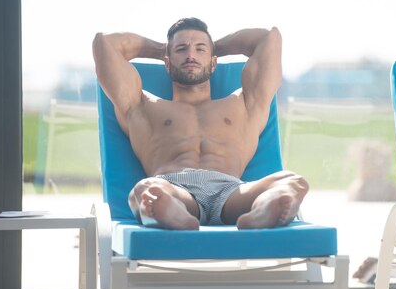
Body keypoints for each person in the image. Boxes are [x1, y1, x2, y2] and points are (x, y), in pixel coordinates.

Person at [92, 17, 308, 230]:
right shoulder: (141, 107)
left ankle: (262, 212)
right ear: (167, 62)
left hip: (232, 191)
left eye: (200, 49)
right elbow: (105, 43)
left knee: (292, 182)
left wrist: (214, 47)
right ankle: (172, 214)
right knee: (145, 191)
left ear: (213, 61)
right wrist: (163, 49)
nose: (191, 56)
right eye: (181, 50)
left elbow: (269, 38)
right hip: (172, 188)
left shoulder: (246, 104)